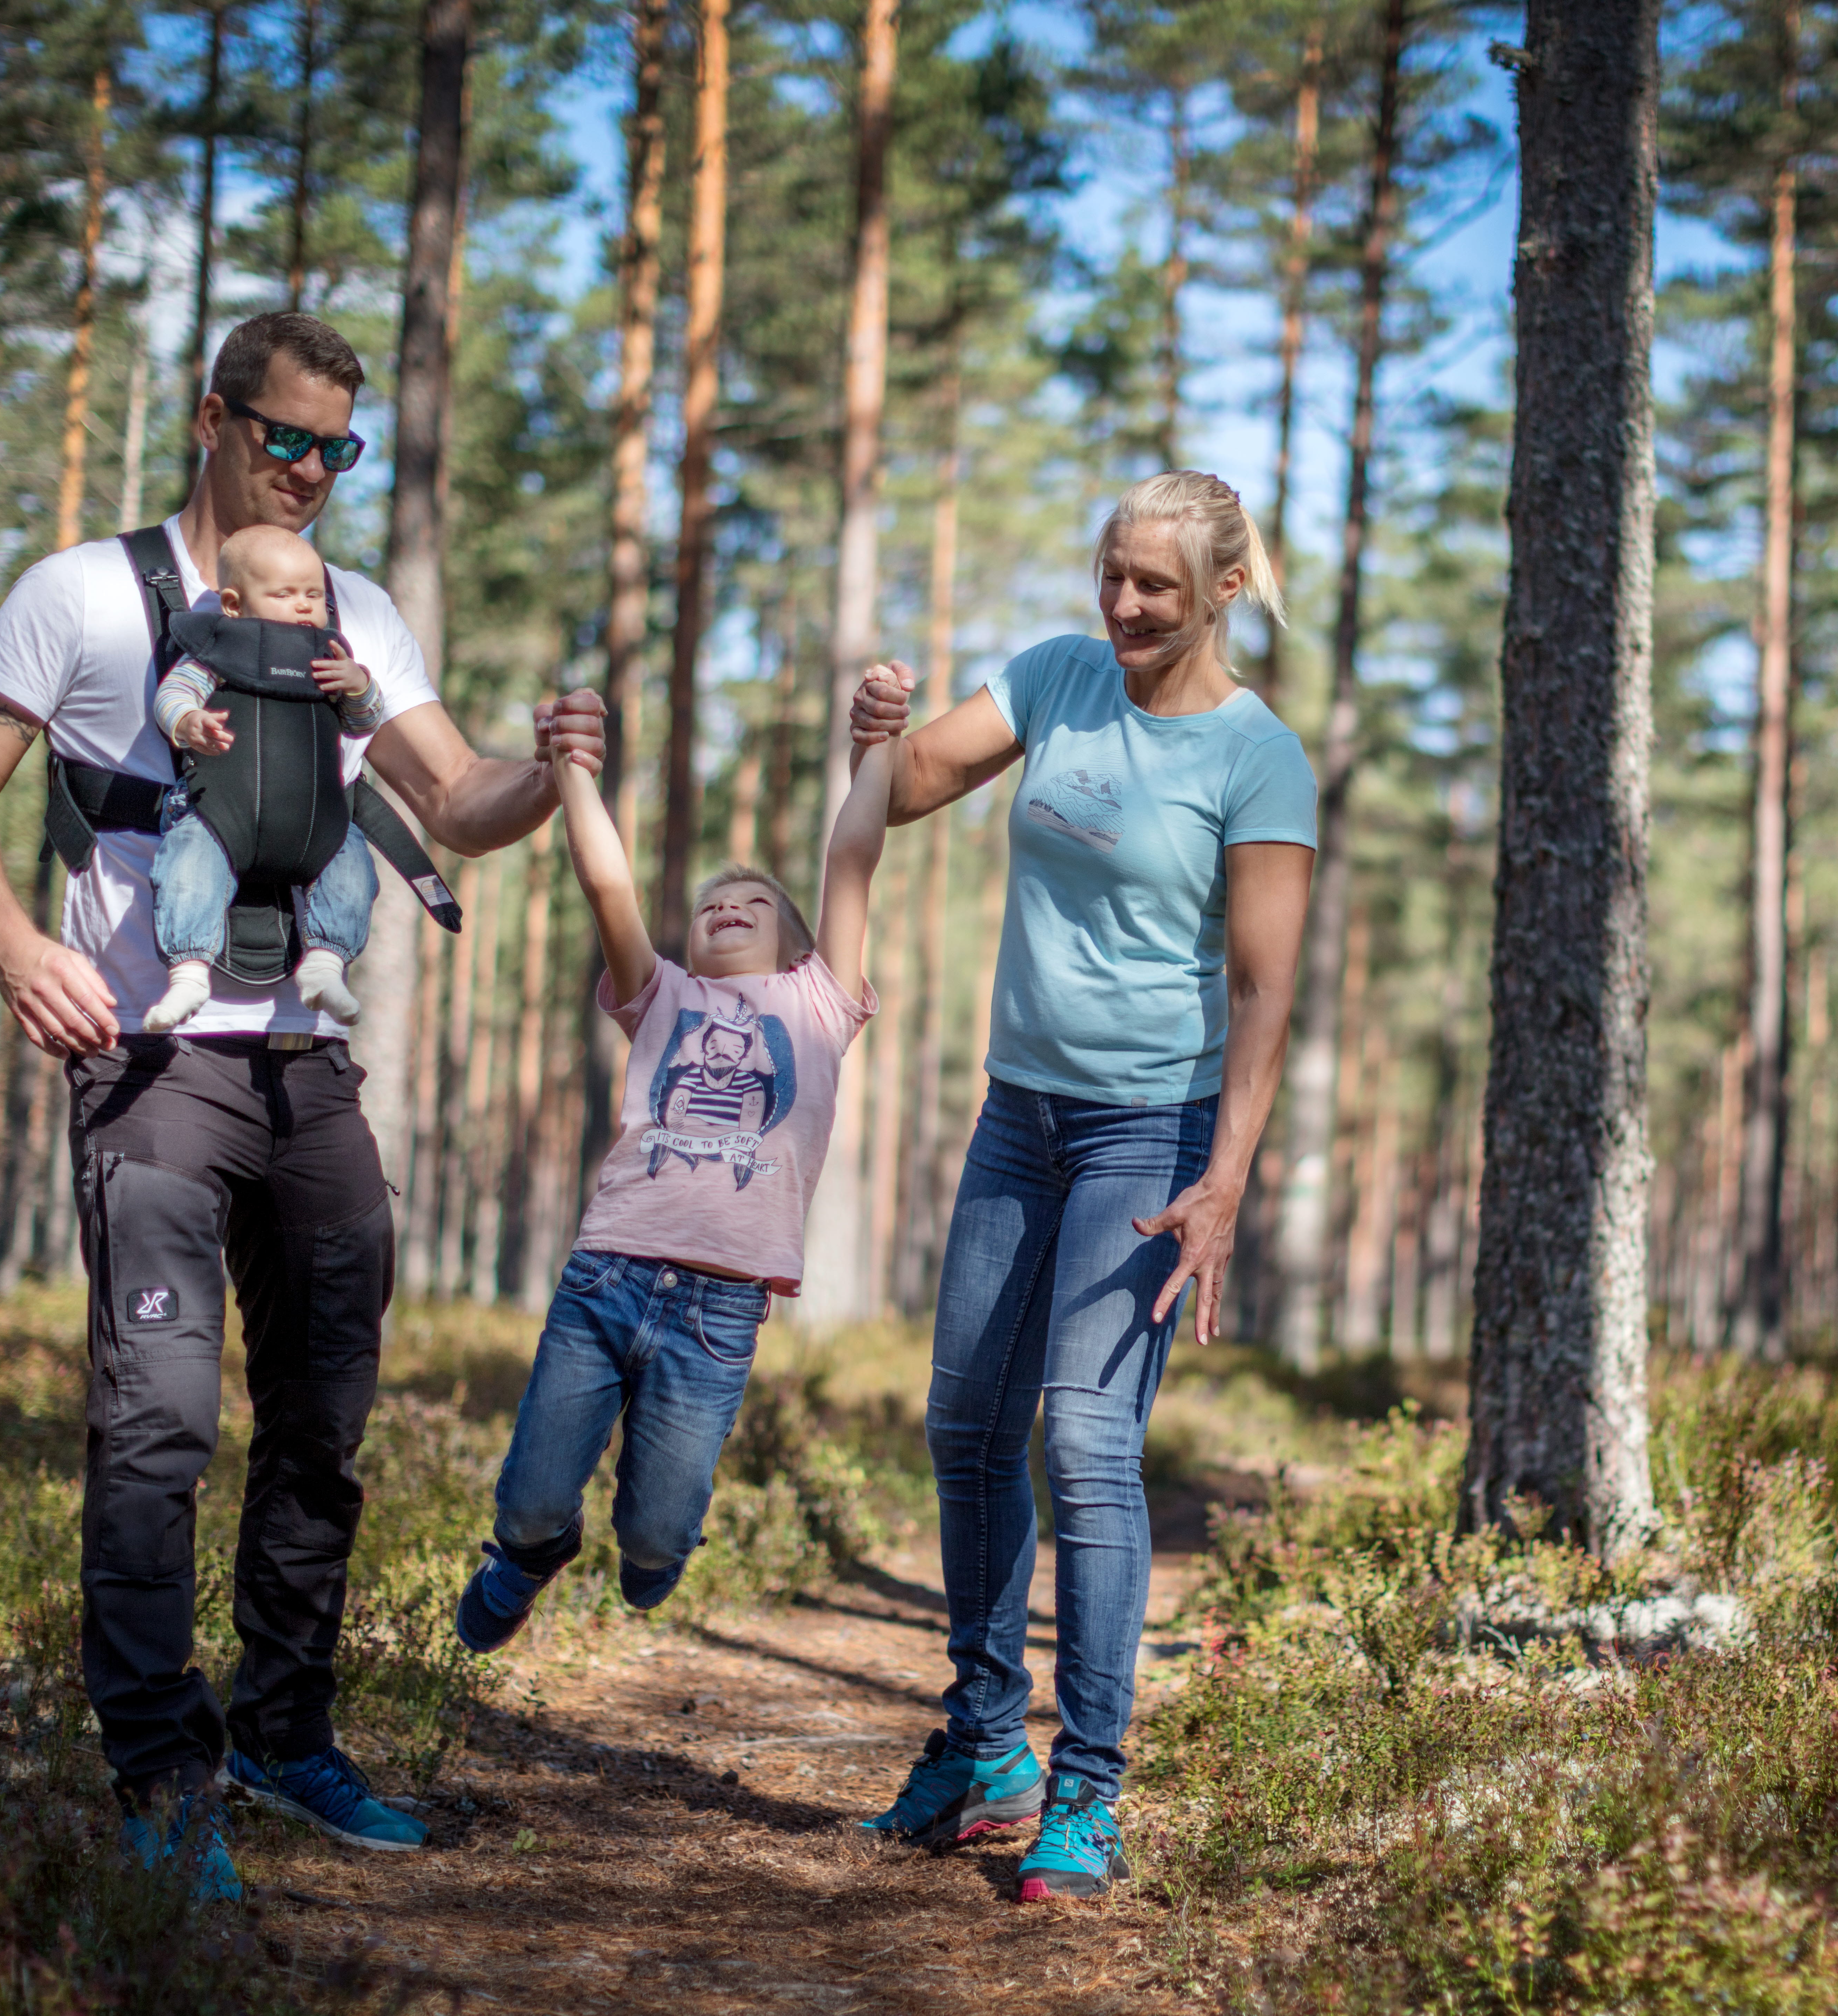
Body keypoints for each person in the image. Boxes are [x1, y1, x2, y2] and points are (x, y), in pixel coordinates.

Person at [0, 311, 606, 1901]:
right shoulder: (86, 595)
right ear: (210, 417)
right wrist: (18, 948)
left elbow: (451, 797)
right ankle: (165, 1776)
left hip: (308, 1069)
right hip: (154, 1070)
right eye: (283, 437)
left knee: (324, 1425)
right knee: (158, 1425)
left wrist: (550, 764)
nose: (309, 473)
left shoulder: (350, 608)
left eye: (336, 449)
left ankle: (289, 1734)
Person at [852, 471, 1317, 1902]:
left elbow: (1261, 984)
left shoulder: (1259, 758)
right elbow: (916, 784)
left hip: (1154, 1132)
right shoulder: (1061, 677)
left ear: (1222, 592)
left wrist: (1226, 1176)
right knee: (967, 1424)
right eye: (1110, 574)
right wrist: (879, 730)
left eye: (1153, 588)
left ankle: (1089, 1789)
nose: (1120, 606)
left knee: (1088, 1442)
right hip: (1020, 1111)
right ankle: (986, 1747)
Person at [453, 683, 897, 1650]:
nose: (725, 910)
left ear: (798, 945)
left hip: (719, 1309)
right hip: (604, 1277)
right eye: (708, 905)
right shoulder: (657, 996)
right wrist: (573, 772)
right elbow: (609, 888)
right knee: (527, 1505)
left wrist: (878, 749)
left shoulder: (820, 1005)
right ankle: (530, 1555)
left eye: (751, 904)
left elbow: (851, 856)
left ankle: (650, 1548)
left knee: (655, 1541)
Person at [145, 523, 385, 1032]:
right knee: (187, 864)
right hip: (220, 809)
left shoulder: (329, 659)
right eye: (284, 594)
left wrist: (359, 686)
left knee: (352, 868)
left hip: (316, 818)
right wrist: (189, 723)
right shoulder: (218, 649)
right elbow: (173, 695)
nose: (303, 606)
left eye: (314, 595)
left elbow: (363, 724)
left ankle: (326, 964)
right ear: (233, 604)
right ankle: (188, 970)